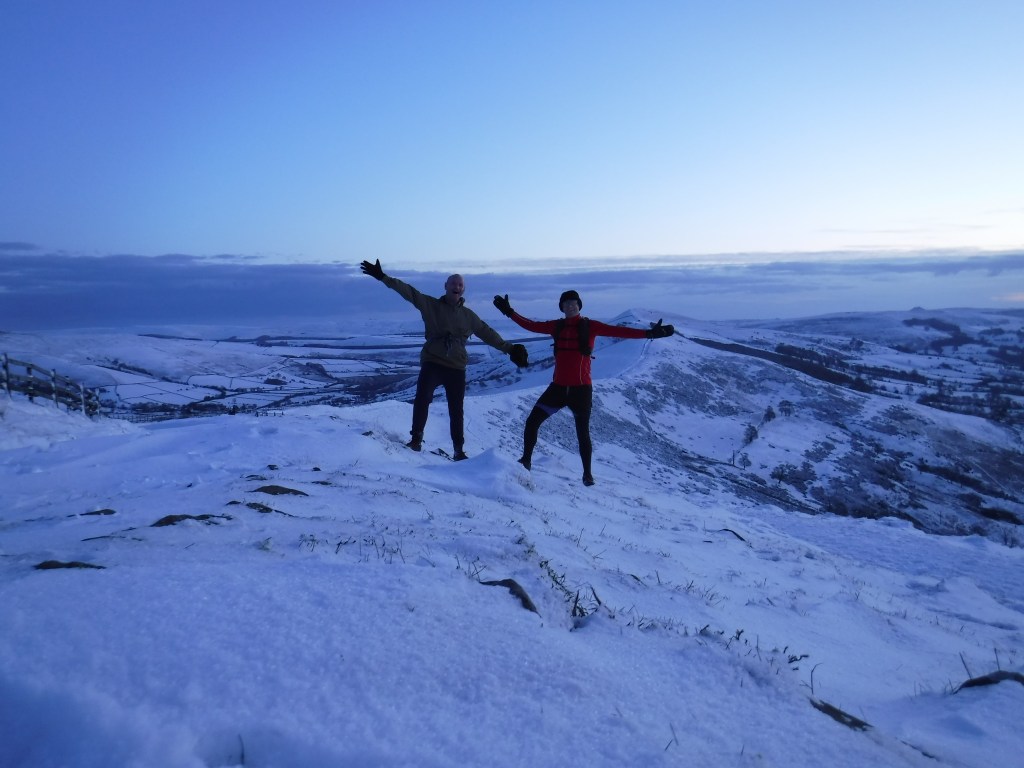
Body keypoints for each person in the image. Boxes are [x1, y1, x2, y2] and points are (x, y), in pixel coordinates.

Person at [493, 289, 673, 486]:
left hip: (581, 390)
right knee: (532, 422)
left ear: (579, 306)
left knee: (582, 433)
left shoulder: (590, 326)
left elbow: (619, 331)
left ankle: (587, 474)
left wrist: (650, 334)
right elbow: (532, 326)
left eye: (574, 303)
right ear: (561, 307)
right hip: (558, 389)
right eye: (566, 303)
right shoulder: (557, 326)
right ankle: (526, 460)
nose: (570, 306)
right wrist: (509, 312)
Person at [360, 259, 528, 459]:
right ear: (445, 286)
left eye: (460, 285)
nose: (456, 287)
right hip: (433, 362)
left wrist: (509, 349)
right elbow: (409, 292)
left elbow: (487, 333)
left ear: (463, 290)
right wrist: (383, 277)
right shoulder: (430, 305)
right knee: (422, 399)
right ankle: (416, 441)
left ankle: (458, 450)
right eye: (453, 283)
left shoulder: (469, 316)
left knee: (456, 410)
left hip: (456, 367)